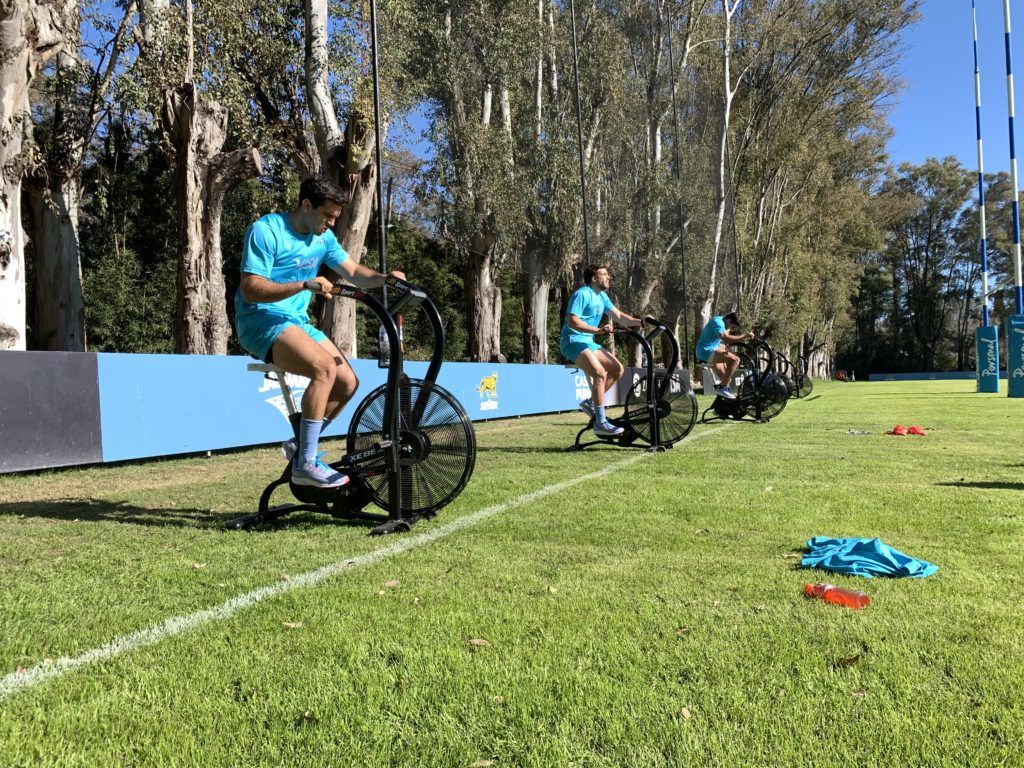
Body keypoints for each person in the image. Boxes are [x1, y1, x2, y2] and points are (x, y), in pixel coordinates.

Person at [235, 175, 405, 488]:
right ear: (306, 204)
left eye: (335, 218)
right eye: (327, 215)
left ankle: (301, 446)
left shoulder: (322, 239)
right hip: (259, 320)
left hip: (296, 322)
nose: (330, 223)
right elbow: (251, 289)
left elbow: (353, 272)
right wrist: (303, 284)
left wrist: (385, 279)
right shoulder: (267, 230)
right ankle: (307, 464)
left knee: (347, 382)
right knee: (324, 369)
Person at [560, 264, 645, 436]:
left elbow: (620, 317)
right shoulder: (581, 294)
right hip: (572, 340)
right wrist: (598, 331)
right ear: (593, 278)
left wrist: (641, 321)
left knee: (617, 369)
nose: (608, 277)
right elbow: (573, 322)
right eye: (604, 274)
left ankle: (591, 403)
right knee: (599, 373)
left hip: (588, 342)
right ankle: (601, 422)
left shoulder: (602, 297)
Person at [695, 310, 753, 400]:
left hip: (709, 350)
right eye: (732, 327)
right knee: (735, 360)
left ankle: (720, 407)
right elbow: (726, 338)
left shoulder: (722, 322)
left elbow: (719, 340)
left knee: (726, 380)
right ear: (729, 321)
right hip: (705, 351)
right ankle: (722, 388)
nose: (731, 330)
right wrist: (744, 337)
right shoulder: (718, 322)